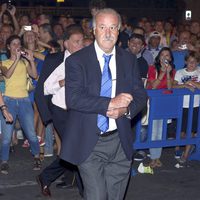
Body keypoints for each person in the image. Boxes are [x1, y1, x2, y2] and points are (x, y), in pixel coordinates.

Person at [60, 8, 147, 200]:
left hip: (120, 142)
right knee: (97, 196)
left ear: (119, 31)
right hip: (89, 141)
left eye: (112, 28)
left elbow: (141, 96)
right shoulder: (77, 61)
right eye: (102, 27)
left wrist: (125, 110)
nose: (107, 33)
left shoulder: (129, 60)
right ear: (93, 30)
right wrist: (110, 103)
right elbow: (73, 98)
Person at [34, 24, 84, 197]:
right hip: (61, 112)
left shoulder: (88, 61)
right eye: (76, 42)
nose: (80, 45)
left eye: (82, 42)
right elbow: (43, 90)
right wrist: (63, 82)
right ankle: (86, 190)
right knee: (76, 149)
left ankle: (45, 177)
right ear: (66, 43)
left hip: (80, 113)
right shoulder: (55, 60)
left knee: (74, 150)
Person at [0, 35, 41, 174]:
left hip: (24, 101)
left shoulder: (24, 63)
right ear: (8, 47)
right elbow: (8, 75)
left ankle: (36, 156)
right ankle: (4, 161)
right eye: (14, 44)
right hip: (9, 101)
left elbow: (35, 76)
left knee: (31, 133)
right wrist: (17, 59)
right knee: (6, 136)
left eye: (18, 43)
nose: (17, 46)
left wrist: (31, 61)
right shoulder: (4, 63)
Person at [146, 47, 176, 168]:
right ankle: (153, 157)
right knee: (154, 130)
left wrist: (168, 73)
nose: (165, 57)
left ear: (170, 58)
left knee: (162, 131)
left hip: (165, 102)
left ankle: (157, 157)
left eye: (167, 55)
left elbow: (169, 88)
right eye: (162, 55)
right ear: (158, 57)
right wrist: (162, 72)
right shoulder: (152, 68)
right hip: (154, 101)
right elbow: (153, 86)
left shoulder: (173, 70)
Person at [173, 51, 200, 166]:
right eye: (189, 62)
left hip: (195, 106)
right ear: (185, 62)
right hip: (182, 105)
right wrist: (184, 85)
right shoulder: (180, 72)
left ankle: (186, 154)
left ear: (197, 63)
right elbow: (173, 86)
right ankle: (180, 146)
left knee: (191, 130)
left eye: (194, 62)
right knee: (181, 131)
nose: (192, 64)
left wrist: (192, 83)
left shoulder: (199, 72)